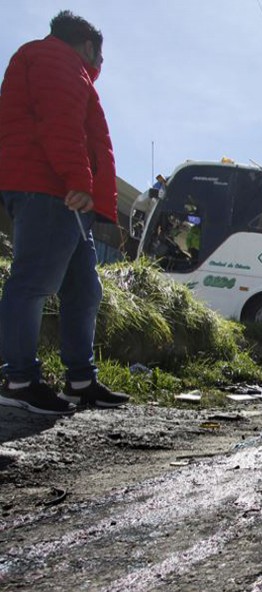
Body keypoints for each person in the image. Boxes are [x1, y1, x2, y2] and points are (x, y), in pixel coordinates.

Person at [0, 11, 129, 415]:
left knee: (84, 289)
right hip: (51, 189)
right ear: (89, 46)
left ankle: (81, 381)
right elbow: (61, 122)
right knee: (34, 281)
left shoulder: (51, 61)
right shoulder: (57, 59)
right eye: (101, 59)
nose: (100, 67)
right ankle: (19, 379)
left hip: (62, 194)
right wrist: (78, 179)